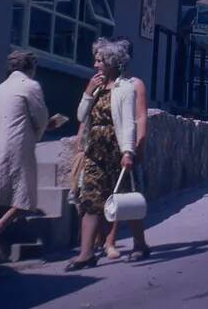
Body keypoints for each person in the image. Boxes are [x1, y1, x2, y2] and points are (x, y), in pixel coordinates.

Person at [66, 39, 148, 271]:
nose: (96, 65)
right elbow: (82, 116)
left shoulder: (125, 88)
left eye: (100, 61)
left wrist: (128, 151)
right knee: (90, 199)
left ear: (112, 63)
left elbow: (129, 123)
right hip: (95, 150)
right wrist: (88, 92)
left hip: (116, 150)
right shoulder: (97, 87)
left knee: (125, 199)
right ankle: (86, 253)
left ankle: (140, 244)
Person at [0, 51, 61, 264]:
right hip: (15, 142)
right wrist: (46, 128)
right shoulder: (31, 86)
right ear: (31, 67)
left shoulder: (1, 87)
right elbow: (40, 117)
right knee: (24, 195)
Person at [102, 37, 148, 261]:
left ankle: (137, 242)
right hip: (102, 147)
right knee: (107, 196)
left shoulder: (134, 84)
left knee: (126, 195)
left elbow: (140, 117)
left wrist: (139, 145)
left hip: (124, 145)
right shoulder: (101, 83)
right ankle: (105, 242)